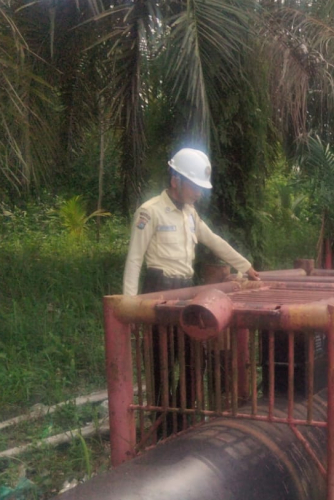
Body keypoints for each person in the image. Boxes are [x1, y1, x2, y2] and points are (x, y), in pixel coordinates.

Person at [123, 147, 259, 436]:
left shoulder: (191, 215)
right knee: (162, 360)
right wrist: (129, 305)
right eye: (194, 186)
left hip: (186, 290)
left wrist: (245, 266)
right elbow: (134, 258)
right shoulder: (150, 211)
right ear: (176, 180)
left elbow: (214, 241)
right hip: (158, 290)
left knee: (195, 356)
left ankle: (180, 417)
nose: (198, 192)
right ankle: (161, 422)